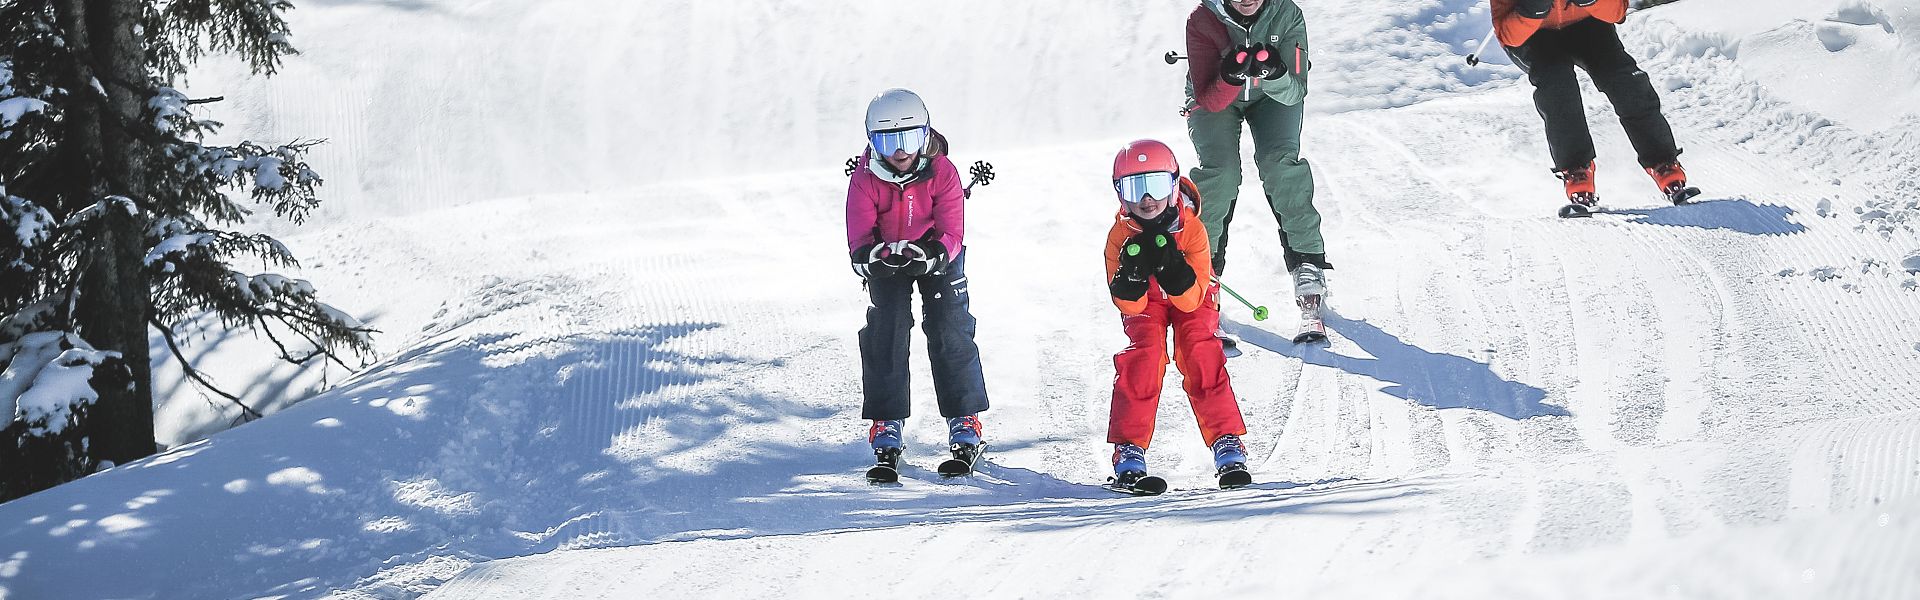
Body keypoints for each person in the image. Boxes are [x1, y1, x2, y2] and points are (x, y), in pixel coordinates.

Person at [845, 88, 989, 476]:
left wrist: (936, 252)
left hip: (935, 252)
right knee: (885, 330)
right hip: (887, 256)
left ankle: (965, 418)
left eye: (907, 139)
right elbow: (858, 235)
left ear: (924, 135)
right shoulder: (864, 178)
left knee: (950, 328)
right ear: (872, 142)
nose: (899, 151)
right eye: (887, 141)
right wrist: (870, 257)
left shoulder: (942, 171)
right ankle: (886, 421)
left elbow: (952, 228)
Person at [1103, 139, 1252, 491]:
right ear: (1120, 194)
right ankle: (1129, 449)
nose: (1146, 200)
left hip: (1192, 297)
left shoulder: (1193, 229)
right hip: (1149, 302)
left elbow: (1191, 301)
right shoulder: (1119, 236)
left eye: (1155, 186)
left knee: (1200, 349)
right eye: (1133, 189)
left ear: (1172, 185)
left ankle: (1227, 442)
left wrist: (1174, 270)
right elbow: (1129, 307)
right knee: (1145, 354)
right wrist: (1132, 279)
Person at [1184, 0, 1330, 320]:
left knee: (1280, 164)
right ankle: (1202, 273)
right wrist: (1230, 78)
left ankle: (1308, 264)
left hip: (1274, 96)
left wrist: (1275, 73)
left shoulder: (1287, 14)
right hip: (1218, 96)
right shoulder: (1204, 20)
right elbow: (1208, 99)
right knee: (1219, 172)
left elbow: (1295, 92)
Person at [1493, 0, 1700, 217]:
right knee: (1556, 84)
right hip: (1534, 34)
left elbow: (1617, 12)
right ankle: (1576, 171)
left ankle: (1663, 163)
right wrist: (1530, 11)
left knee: (1624, 79)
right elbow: (1507, 34)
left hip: (1588, 23)